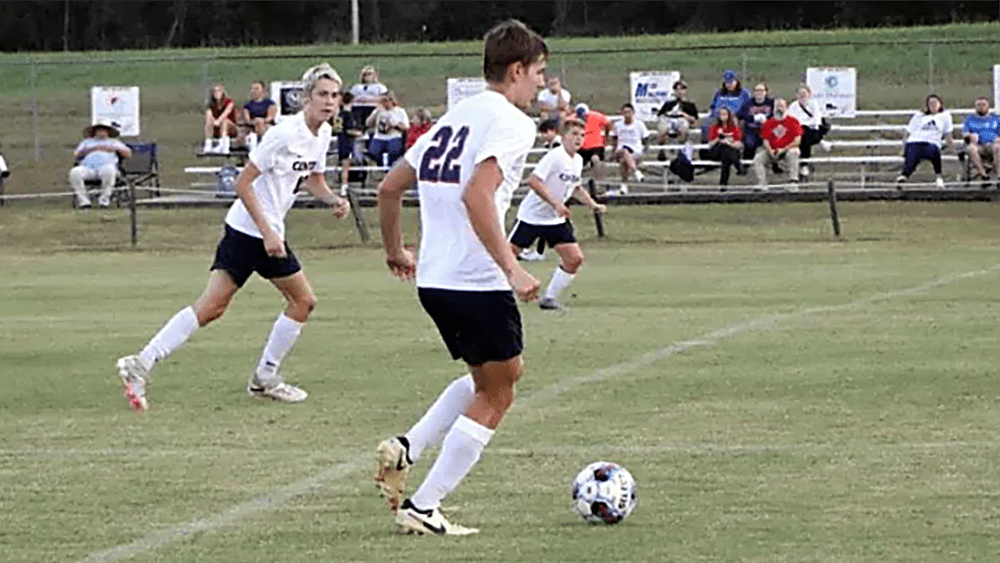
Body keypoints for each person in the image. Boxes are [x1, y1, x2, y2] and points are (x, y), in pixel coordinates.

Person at [374, 19, 547, 536]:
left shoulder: (454, 119)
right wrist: (512, 267)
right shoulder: (513, 123)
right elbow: (478, 195)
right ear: (516, 70)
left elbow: (388, 188)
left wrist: (396, 251)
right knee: (498, 393)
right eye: (538, 72)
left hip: (435, 278)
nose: (542, 83)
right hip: (474, 279)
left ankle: (407, 447)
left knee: (497, 375)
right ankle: (424, 506)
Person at [115, 63, 351, 413]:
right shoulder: (284, 133)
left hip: (245, 230)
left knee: (210, 308)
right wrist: (269, 231)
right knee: (303, 301)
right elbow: (243, 183)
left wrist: (333, 199)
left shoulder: (324, 133)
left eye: (334, 95)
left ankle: (141, 364)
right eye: (322, 95)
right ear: (306, 98)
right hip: (255, 231)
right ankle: (265, 379)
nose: (329, 102)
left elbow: (314, 180)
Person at [508, 118, 605, 310]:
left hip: (555, 220)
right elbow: (534, 181)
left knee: (574, 259)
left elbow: (575, 187)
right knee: (506, 257)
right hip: (532, 217)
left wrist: (592, 204)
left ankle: (549, 298)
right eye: (574, 134)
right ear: (563, 136)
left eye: (581, 135)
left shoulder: (577, 160)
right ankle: (488, 295)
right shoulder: (555, 156)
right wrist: (556, 203)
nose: (578, 139)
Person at [69, 119, 132, 208]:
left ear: (108, 132)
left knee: (109, 171)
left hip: (106, 167)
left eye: (104, 130)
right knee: (75, 172)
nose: (101, 132)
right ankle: (84, 202)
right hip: (88, 168)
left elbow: (128, 154)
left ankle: (104, 201)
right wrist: (91, 149)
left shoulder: (114, 142)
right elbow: (76, 154)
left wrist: (114, 149)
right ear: (95, 132)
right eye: (99, 130)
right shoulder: (87, 142)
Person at [896, 94, 954, 189]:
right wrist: (903, 148)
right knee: (913, 153)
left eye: (935, 103)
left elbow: (948, 133)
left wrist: (952, 148)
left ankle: (939, 177)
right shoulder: (919, 116)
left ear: (940, 104)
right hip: (915, 141)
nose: (933, 105)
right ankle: (904, 176)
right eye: (930, 103)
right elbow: (908, 132)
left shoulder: (945, 116)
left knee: (933, 150)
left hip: (932, 142)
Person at [753, 98, 803, 189]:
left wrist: (785, 149)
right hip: (772, 150)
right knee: (758, 158)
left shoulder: (793, 121)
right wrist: (770, 150)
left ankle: (793, 182)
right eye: (777, 106)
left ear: (786, 108)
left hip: (787, 149)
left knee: (794, 153)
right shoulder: (768, 123)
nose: (779, 108)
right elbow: (765, 140)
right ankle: (762, 183)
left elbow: (797, 140)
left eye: (782, 106)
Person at [786, 84, 830, 178]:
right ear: (797, 95)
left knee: (805, 135)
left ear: (809, 94)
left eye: (804, 93)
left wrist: (805, 124)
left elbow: (816, 119)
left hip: (813, 129)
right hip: (799, 131)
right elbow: (791, 120)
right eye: (800, 93)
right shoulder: (793, 106)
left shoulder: (814, 104)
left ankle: (804, 165)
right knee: (803, 136)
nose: (802, 96)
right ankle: (819, 143)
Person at [611, 102, 651, 193]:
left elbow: (646, 139)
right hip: (621, 150)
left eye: (629, 112)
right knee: (624, 152)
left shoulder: (639, 125)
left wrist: (645, 151)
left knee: (624, 161)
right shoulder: (617, 125)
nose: (627, 114)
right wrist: (613, 152)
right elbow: (614, 139)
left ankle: (624, 186)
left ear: (633, 113)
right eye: (625, 112)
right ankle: (636, 172)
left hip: (635, 150)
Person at [962, 96, 1000, 185]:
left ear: (988, 106)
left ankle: (999, 176)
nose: (981, 106)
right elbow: (965, 133)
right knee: (971, 149)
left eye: (984, 104)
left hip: (993, 144)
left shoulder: (995, 118)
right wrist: (970, 136)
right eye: (979, 105)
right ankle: (984, 175)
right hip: (978, 145)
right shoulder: (970, 118)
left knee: (998, 147)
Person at [700, 106, 742, 187]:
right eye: (721, 114)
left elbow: (737, 143)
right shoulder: (714, 127)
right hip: (716, 150)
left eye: (725, 114)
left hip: (730, 150)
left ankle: (723, 185)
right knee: (725, 150)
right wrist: (718, 139)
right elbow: (710, 143)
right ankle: (738, 166)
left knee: (726, 154)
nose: (723, 116)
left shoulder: (734, 128)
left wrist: (729, 142)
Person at [366, 92, 409, 167]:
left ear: (391, 101)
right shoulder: (378, 111)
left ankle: (390, 169)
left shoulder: (400, 111)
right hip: (379, 137)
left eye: (386, 101)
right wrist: (375, 113)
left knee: (394, 151)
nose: (384, 103)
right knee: (372, 152)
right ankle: (380, 166)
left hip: (394, 136)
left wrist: (396, 125)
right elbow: (368, 124)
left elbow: (406, 127)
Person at [655, 79, 699, 152]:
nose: (679, 91)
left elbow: (696, 121)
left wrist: (686, 116)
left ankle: (679, 150)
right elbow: (660, 115)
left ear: (685, 90)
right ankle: (662, 150)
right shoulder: (669, 104)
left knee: (683, 128)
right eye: (677, 89)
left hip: (683, 122)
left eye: (682, 89)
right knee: (662, 129)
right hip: (668, 121)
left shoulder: (690, 105)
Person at [332, 91, 362, 195]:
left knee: (343, 164)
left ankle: (343, 185)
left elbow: (336, 128)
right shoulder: (348, 115)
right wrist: (358, 133)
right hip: (347, 142)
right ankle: (344, 187)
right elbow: (349, 130)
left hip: (341, 140)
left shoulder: (339, 114)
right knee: (346, 165)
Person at [705, 70, 751, 136]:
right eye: (727, 83)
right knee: (708, 121)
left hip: (736, 117)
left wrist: (737, 115)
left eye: (731, 82)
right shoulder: (719, 93)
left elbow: (747, 108)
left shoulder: (744, 93)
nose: (729, 85)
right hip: (720, 117)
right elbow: (713, 106)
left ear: (736, 81)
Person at [575, 102, 612, 183]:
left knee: (595, 159)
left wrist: (607, 135)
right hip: (581, 147)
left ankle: (599, 182)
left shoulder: (595, 116)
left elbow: (608, 122)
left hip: (595, 145)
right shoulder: (573, 119)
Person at [736, 83, 774, 159]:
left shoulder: (771, 103)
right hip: (751, 130)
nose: (759, 93)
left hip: (767, 130)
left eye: (761, 90)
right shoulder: (748, 103)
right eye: (757, 90)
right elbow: (739, 114)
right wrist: (753, 118)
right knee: (749, 144)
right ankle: (746, 166)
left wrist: (767, 119)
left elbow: (777, 113)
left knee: (772, 144)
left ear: (766, 92)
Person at [239, 80, 277, 150]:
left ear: (263, 90)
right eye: (252, 89)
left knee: (260, 122)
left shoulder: (269, 103)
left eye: (256, 89)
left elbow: (270, 117)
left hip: (266, 125)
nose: (254, 91)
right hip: (252, 126)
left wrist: (261, 121)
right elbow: (247, 118)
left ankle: (261, 143)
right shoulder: (248, 104)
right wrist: (255, 121)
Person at [203, 83, 238, 154]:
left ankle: (223, 145)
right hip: (217, 128)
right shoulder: (210, 104)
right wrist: (213, 121)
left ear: (223, 92)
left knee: (224, 121)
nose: (217, 93)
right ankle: (208, 144)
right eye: (215, 91)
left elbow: (226, 113)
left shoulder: (229, 102)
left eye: (219, 91)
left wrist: (218, 121)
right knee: (208, 120)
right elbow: (209, 114)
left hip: (230, 128)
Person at [350, 65, 388, 130]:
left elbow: (383, 99)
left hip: (373, 107)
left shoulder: (379, 87)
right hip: (357, 107)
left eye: (369, 74)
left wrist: (368, 99)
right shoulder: (356, 87)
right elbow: (350, 98)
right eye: (365, 74)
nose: (367, 76)